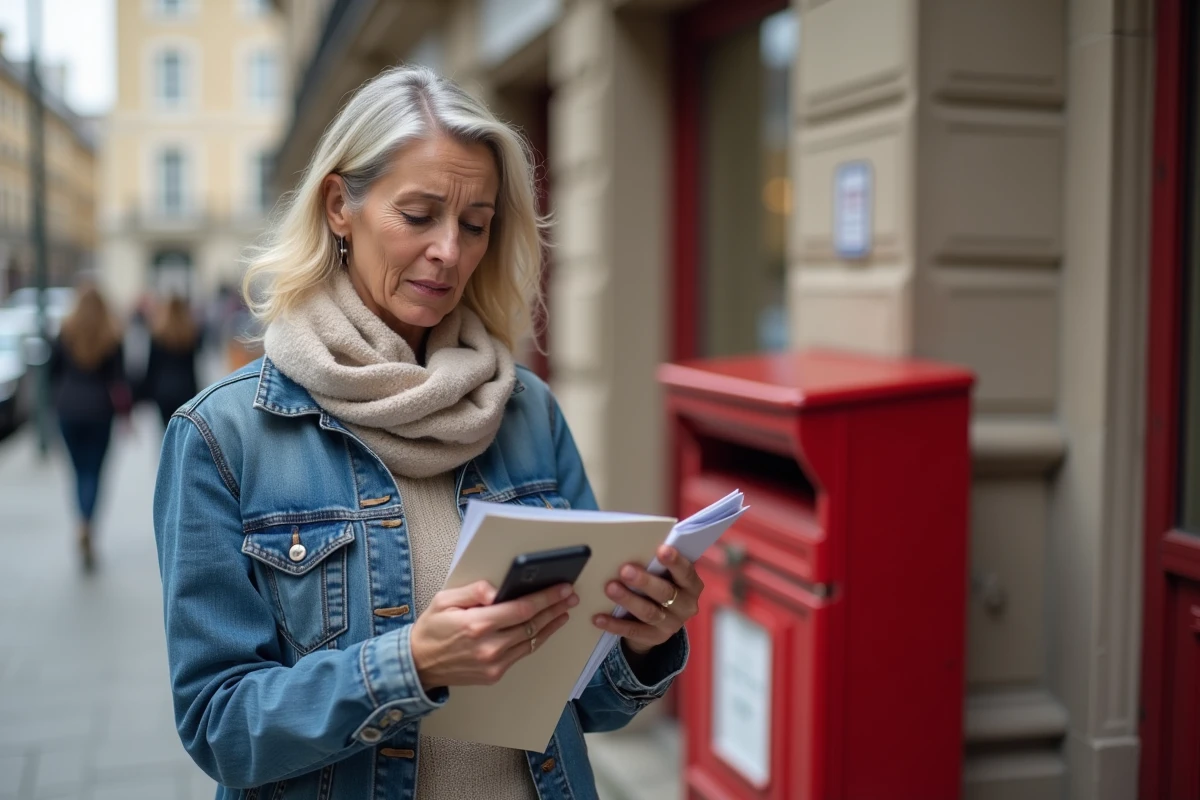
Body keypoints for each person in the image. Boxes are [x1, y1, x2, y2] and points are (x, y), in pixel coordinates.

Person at [153, 65, 702, 800]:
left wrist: (641, 635)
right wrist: (408, 664)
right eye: (419, 216)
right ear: (339, 206)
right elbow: (221, 726)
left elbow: (590, 706)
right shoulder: (223, 436)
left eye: (475, 224)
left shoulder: (526, 410)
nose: (451, 250)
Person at [50, 285, 130, 569]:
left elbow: (53, 373)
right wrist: (126, 416)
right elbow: (120, 381)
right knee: (93, 472)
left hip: (68, 409)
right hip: (99, 410)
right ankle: (88, 524)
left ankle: (81, 522)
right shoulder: (112, 335)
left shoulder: (65, 331)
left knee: (77, 471)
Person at [139, 295, 200, 427]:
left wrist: (145, 392)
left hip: (163, 390)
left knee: (167, 430)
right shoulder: (189, 335)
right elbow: (192, 367)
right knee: (182, 429)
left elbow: (152, 367)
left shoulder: (158, 335)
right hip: (185, 388)